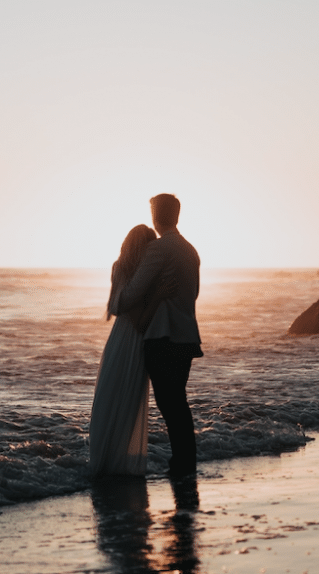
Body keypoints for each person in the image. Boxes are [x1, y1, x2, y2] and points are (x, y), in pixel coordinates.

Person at [117, 194, 202, 477]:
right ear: (176, 215)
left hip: (162, 337)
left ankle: (182, 465)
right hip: (187, 336)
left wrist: (122, 283)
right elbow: (194, 294)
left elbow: (131, 295)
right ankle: (185, 463)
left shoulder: (159, 249)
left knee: (170, 405)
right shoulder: (190, 250)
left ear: (156, 215)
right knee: (178, 402)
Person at [89, 224, 175, 476]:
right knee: (123, 399)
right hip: (134, 339)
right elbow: (130, 314)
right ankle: (114, 462)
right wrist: (156, 296)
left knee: (114, 397)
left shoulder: (130, 269)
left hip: (122, 338)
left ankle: (107, 460)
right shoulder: (131, 272)